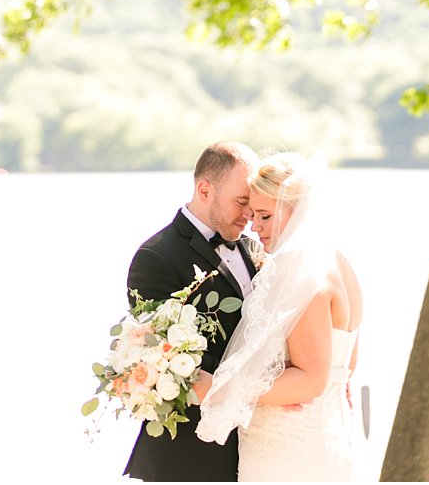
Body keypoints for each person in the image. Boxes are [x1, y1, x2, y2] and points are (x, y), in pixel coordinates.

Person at [196, 153, 364, 481]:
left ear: (297, 210)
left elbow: (311, 380)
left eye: (264, 215)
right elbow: (344, 368)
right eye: (252, 214)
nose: (254, 227)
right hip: (327, 440)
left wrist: (217, 389)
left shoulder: (305, 273)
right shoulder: (342, 265)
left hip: (287, 453)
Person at [125, 142, 260, 482]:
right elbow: (162, 359)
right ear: (204, 189)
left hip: (257, 448)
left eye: (254, 205)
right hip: (189, 457)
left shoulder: (255, 248)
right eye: (241, 202)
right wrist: (260, 390)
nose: (250, 215)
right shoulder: (156, 257)